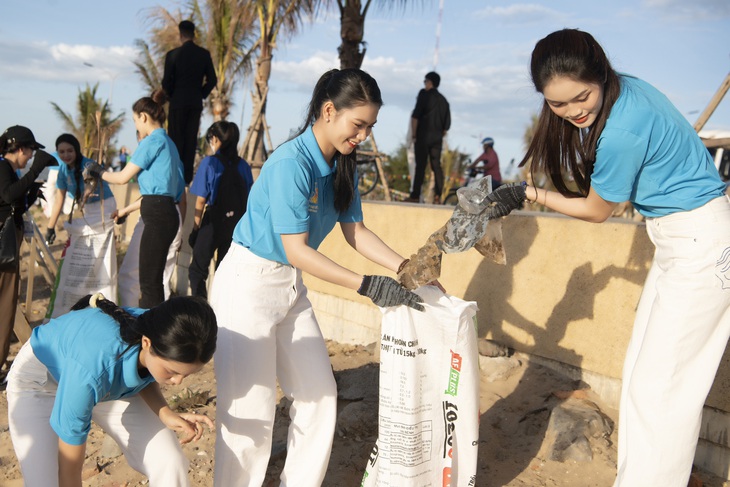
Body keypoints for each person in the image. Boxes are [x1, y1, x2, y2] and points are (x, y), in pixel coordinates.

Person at [518, 28, 730, 486]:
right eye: (557, 104)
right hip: (677, 240)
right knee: (640, 377)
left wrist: (530, 193)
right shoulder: (622, 91)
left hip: (702, 243)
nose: (573, 112)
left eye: (581, 97)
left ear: (601, 75)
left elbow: (596, 211)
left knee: (663, 390)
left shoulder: (623, 127)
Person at [211, 68, 424, 486]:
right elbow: (297, 249)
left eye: (370, 127)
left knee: (319, 396)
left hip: (290, 285)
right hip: (248, 284)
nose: (362, 135)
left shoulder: (343, 166)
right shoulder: (292, 162)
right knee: (250, 413)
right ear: (329, 110)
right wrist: (366, 285)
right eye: (357, 124)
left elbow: (355, 231)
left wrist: (407, 269)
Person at [6, 293, 217, 485]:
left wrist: (165, 412)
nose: (178, 382)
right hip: (41, 382)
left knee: (169, 462)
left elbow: (142, 369)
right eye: (171, 371)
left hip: (101, 380)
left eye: (186, 374)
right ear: (146, 342)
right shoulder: (92, 370)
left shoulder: (159, 328)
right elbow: (70, 470)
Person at [91, 91, 185, 308]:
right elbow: (164, 192)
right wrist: (126, 211)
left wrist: (98, 172)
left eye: (135, 120)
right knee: (155, 281)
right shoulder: (170, 144)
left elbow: (123, 177)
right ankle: (154, 330)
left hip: (158, 215)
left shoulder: (152, 141)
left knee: (148, 283)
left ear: (143, 117)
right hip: (167, 212)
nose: (136, 126)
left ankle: (149, 333)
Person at [0, 126, 56, 376]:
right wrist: (34, 172)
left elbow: (12, 204)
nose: (31, 156)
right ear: (20, 148)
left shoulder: (8, 169)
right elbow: (8, 194)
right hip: (5, 247)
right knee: (5, 301)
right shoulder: (2, 166)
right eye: (31, 151)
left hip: (7, 243)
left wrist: (31, 192)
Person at [44, 133, 118, 318]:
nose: (66, 155)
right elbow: (60, 198)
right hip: (85, 212)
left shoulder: (88, 163)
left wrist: (86, 194)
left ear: (76, 150)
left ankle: (102, 300)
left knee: (98, 256)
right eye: (61, 152)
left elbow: (91, 184)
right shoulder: (62, 170)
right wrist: (51, 226)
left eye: (70, 150)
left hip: (102, 208)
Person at [188, 120, 252, 298]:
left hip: (212, 223)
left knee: (197, 271)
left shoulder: (209, 163)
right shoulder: (244, 166)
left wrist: (195, 229)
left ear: (215, 139)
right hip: (235, 226)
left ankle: (200, 314)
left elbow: (200, 201)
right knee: (225, 273)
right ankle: (221, 316)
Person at [162, 19, 217, 185]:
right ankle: (186, 180)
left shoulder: (172, 55)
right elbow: (212, 79)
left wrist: (173, 95)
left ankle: (174, 178)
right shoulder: (203, 54)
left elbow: (166, 83)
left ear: (180, 34)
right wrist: (201, 94)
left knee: (176, 139)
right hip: (195, 102)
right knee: (190, 139)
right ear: (194, 34)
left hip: (178, 102)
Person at [407, 71, 451, 204]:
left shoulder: (423, 95)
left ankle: (415, 196)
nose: (424, 84)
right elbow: (447, 126)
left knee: (420, 166)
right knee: (436, 166)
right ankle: (438, 196)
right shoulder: (444, 101)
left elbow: (415, 116)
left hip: (423, 136)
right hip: (437, 138)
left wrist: (414, 134)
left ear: (430, 82)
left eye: (425, 81)